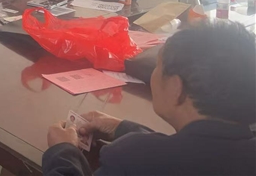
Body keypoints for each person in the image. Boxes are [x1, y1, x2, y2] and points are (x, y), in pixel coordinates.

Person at [43, 21, 256, 176]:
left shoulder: (131, 158)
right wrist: (123, 128)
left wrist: (63, 151)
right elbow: (193, 149)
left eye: (157, 67)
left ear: (176, 88)